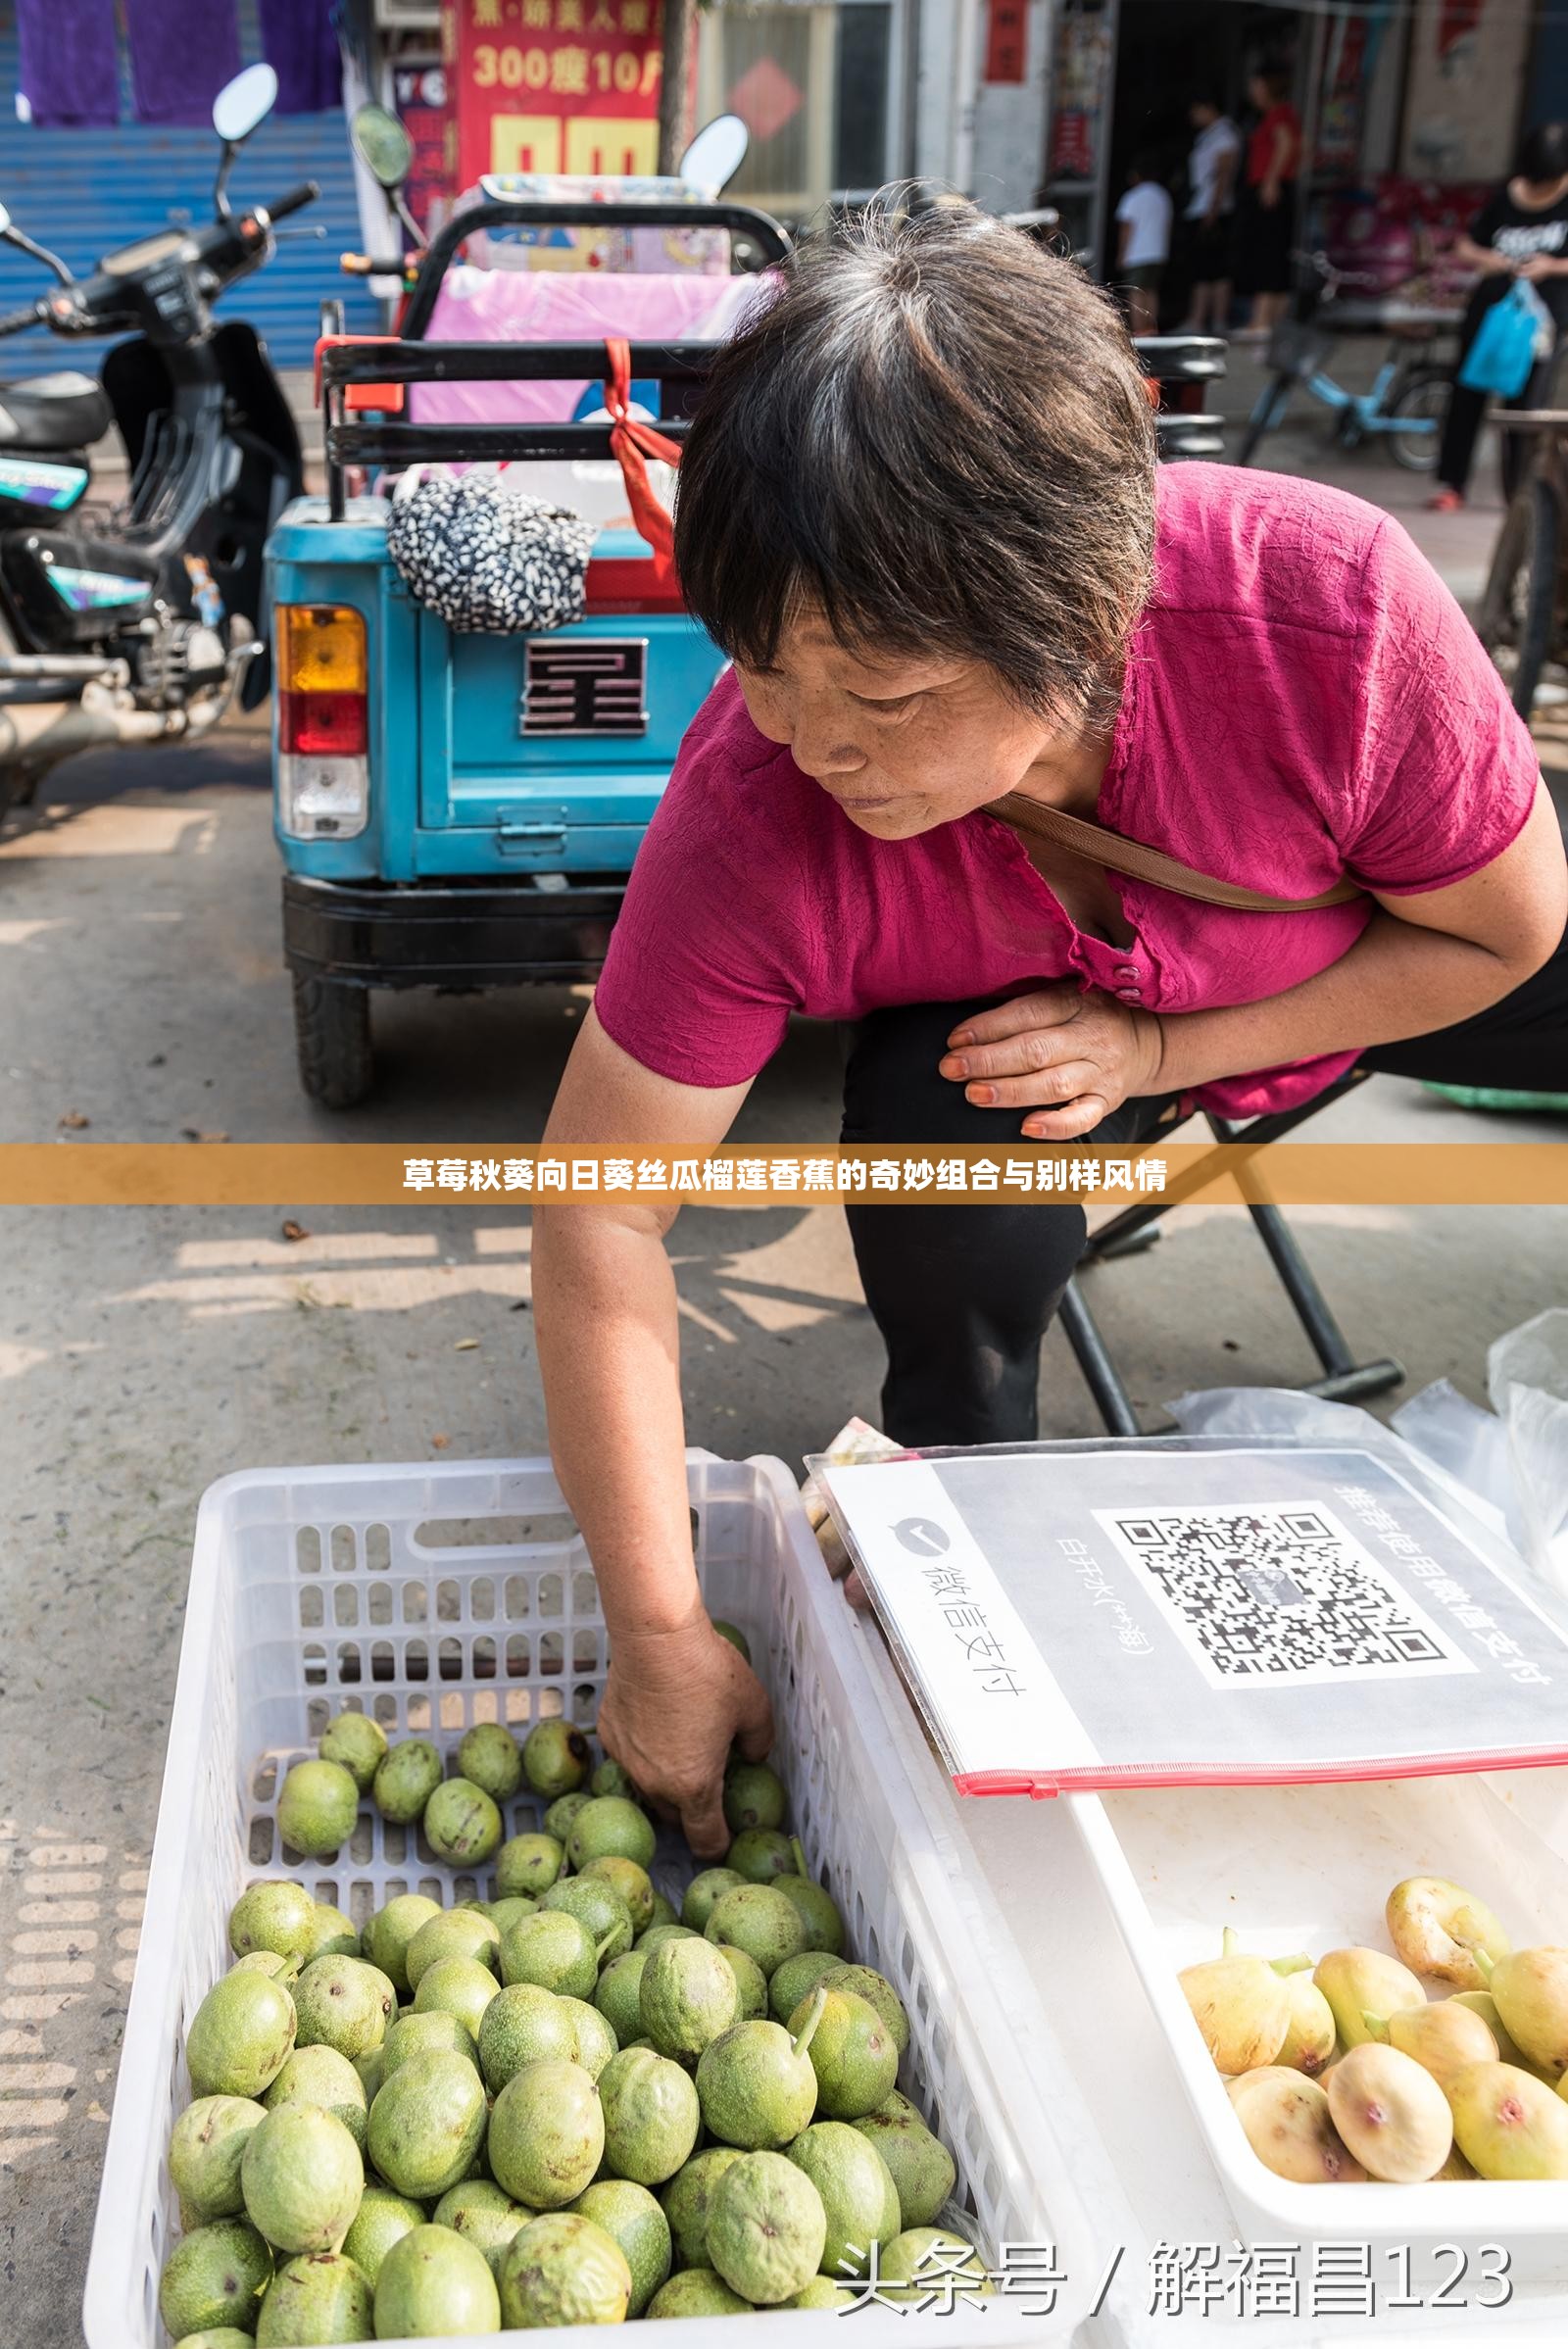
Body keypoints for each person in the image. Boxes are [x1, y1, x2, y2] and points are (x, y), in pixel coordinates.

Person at [531, 205, 1568, 1849]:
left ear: (1080, 618)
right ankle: (978, 1605)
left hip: (1354, 965)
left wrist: (1165, 1052)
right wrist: (657, 1624)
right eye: (760, 669)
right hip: (1030, 1052)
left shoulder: (1331, 615)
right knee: (940, 1145)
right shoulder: (753, 807)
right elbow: (600, 1210)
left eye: (879, 697)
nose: (807, 743)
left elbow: (1505, 929)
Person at [1430, 122, 1568, 514]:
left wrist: (1551, 267)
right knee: (1466, 396)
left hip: (1540, 322)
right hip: (1490, 313)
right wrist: (1490, 259)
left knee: (1525, 408)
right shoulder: (1504, 196)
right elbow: (1465, 245)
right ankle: (1452, 484)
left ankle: (1518, 496)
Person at [1233, 67, 1301, 333]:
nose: (1252, 92)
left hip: (1270, 189)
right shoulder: (1278, 115)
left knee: (1268, 254)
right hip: (1272, 186)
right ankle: (1272, 322)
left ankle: (1261, 321)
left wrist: (1272, 179)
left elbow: (1287, 144)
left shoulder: (1279, 114)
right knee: (1272, 254)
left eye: (1256, 85)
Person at [1179, 92, 1241, 331]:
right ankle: (1199, 319)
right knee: (1202, 267)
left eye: (1196, 110)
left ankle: (1212, 319)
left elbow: (1223, 175)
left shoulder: (1224, 135)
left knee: (1214, 268)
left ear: (1208, 106)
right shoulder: (1208, 135)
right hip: (1200, 206)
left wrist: (1213, 209)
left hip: (1214, 210)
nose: (1193, 116)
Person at [1114, 151, 1173, 334]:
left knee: (1136, 291)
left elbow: (1127, 228)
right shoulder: (1163, 195)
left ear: (1135, 175)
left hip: (1137, 252)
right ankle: (1151, 328)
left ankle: (1139, 329)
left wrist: (1122, 253)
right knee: (1152, 290)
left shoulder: (1133, 196)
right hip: (1158, 251)